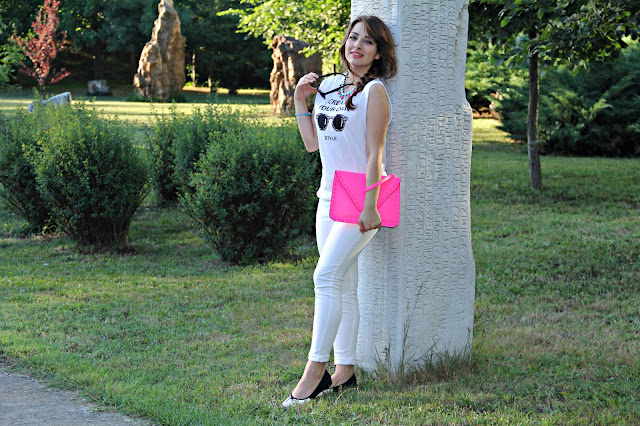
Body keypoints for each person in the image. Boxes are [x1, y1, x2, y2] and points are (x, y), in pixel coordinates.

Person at [283, 15, 398, 409]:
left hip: (362, 199)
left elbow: (374, 154)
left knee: (325, 276)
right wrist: (300, 101)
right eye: (353, 38)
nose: (357, 46)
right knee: (344, 286)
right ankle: (345, 372)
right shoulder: (330, 86)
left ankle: (315, 372)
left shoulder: (375, 92)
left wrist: (370, 205)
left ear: (378, 53)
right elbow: (313, 144)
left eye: (368, 42)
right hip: (328, 198)